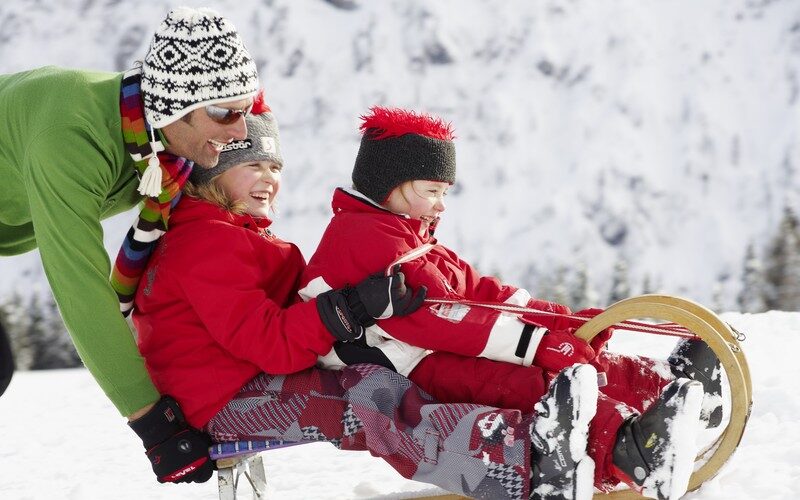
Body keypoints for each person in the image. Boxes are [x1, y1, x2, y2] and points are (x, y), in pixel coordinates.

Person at [131, 101, 599, 500]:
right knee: (367, 397)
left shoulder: (241, 238)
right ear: (211, 171)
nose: (269, 178)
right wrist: (349, 307)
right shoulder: (203, 244)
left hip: (250, 379)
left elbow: (298, 316)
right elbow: (273, 341)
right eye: (252, 164)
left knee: (392, 371)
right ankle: (517, 461)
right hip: (219, 403)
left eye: (275, 167)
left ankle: (530, 434)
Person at [298, 107, 724, 499]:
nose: (441, 204)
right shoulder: (365, 239)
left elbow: (479, 290)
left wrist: (559, 322)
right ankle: (631, 450)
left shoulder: (405, 231)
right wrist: (535, 344)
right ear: (389, 186)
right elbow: (440, 319)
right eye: (431, 190)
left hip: (419, 348)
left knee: (563, 357)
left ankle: (666, 389)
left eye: (445, 191)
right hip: (395, 361)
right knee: (524, 382)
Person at [1, 6, 268, 484]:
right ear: (171, 107)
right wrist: (151, 422)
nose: (241, 131)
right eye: (226, 112)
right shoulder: (71, 138)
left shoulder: (162, 149)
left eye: (246, 109)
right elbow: (80, 288)